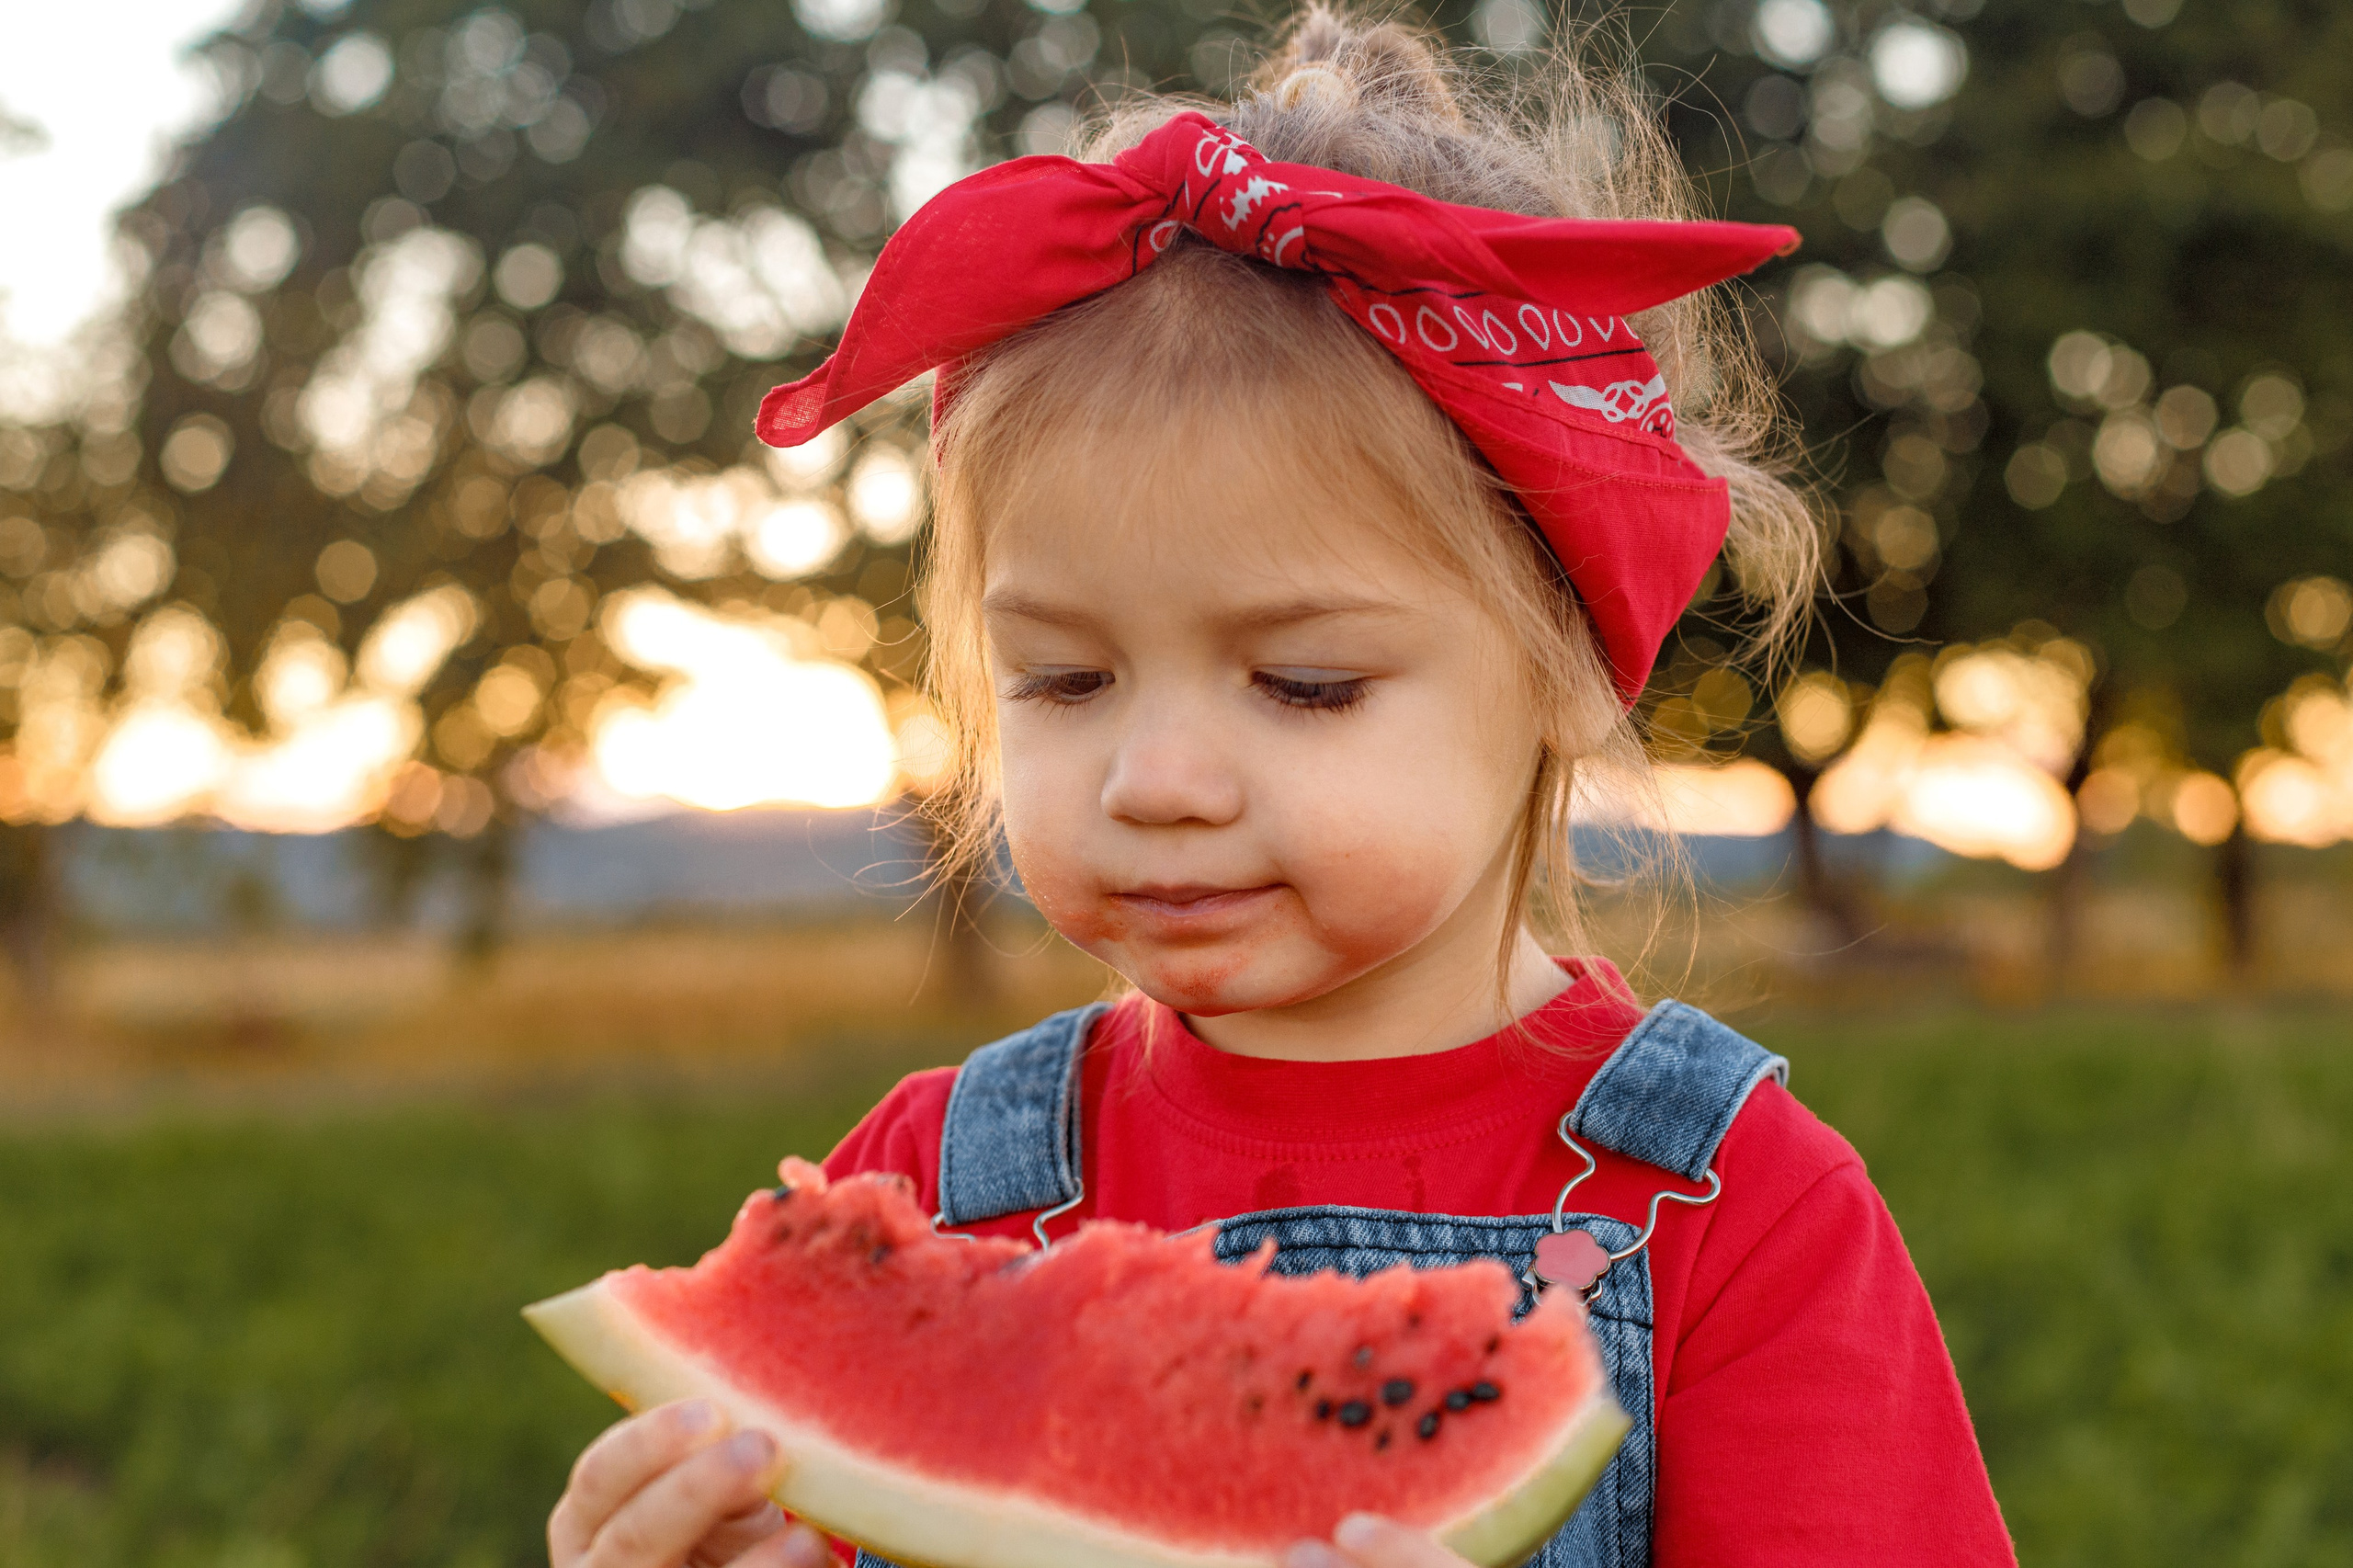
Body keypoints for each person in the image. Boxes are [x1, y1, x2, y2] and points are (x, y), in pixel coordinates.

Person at [546, 8, 2016, 1568]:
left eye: (1304, 685)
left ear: (1574, 668)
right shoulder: (926, 1181)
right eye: (1063, 680)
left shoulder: (1740, 1212)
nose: (1156, 779)